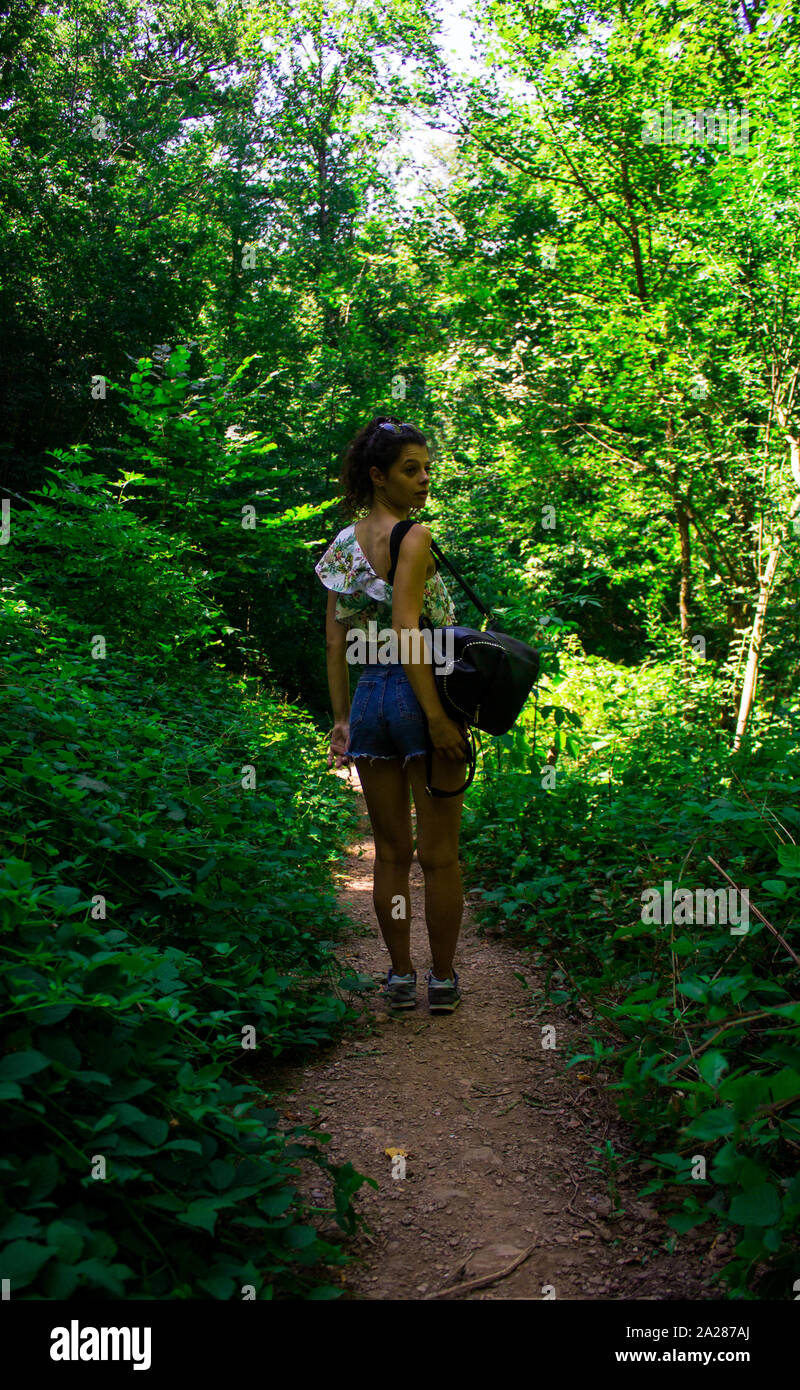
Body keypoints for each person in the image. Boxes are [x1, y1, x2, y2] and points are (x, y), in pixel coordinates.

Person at [314, 414, 468, 1014]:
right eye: (411, 470)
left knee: (392, 852)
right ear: (379, 477)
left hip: (371, 699)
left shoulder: (342, 548)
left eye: (427, 469)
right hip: (420, 688)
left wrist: (342, 718)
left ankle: (401, 976)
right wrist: (434, 716)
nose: (424, 480)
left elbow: (334, 643)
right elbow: (408, 628)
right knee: (440, 855)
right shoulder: (416, 535)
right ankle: (444, 979)